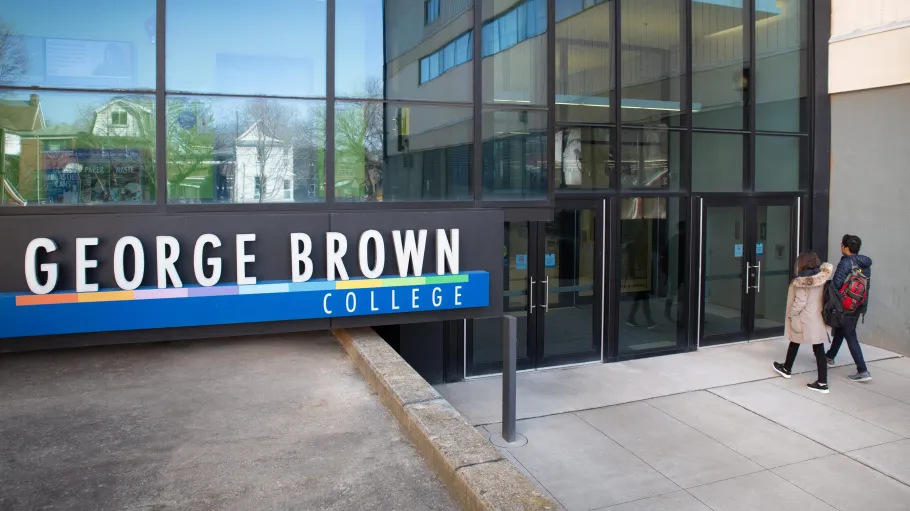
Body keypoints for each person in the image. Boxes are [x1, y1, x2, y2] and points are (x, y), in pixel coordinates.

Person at [773, 252, 833, 393]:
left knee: (798, 340)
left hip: (805, 318)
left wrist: (791, 314)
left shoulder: (802, 280)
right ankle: (787, 368)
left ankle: (821, 383)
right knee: (814, 347)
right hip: (818, 317)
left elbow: (800, 301)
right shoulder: (822, 277)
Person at [826, 234, 873, 382]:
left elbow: (836, 285)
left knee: (850, 335)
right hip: (858, 304)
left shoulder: (846, 263)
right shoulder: (865, 264)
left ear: (845, 247)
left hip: (845, 304)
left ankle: (862, 370)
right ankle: (830, 356)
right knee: (843, 329)